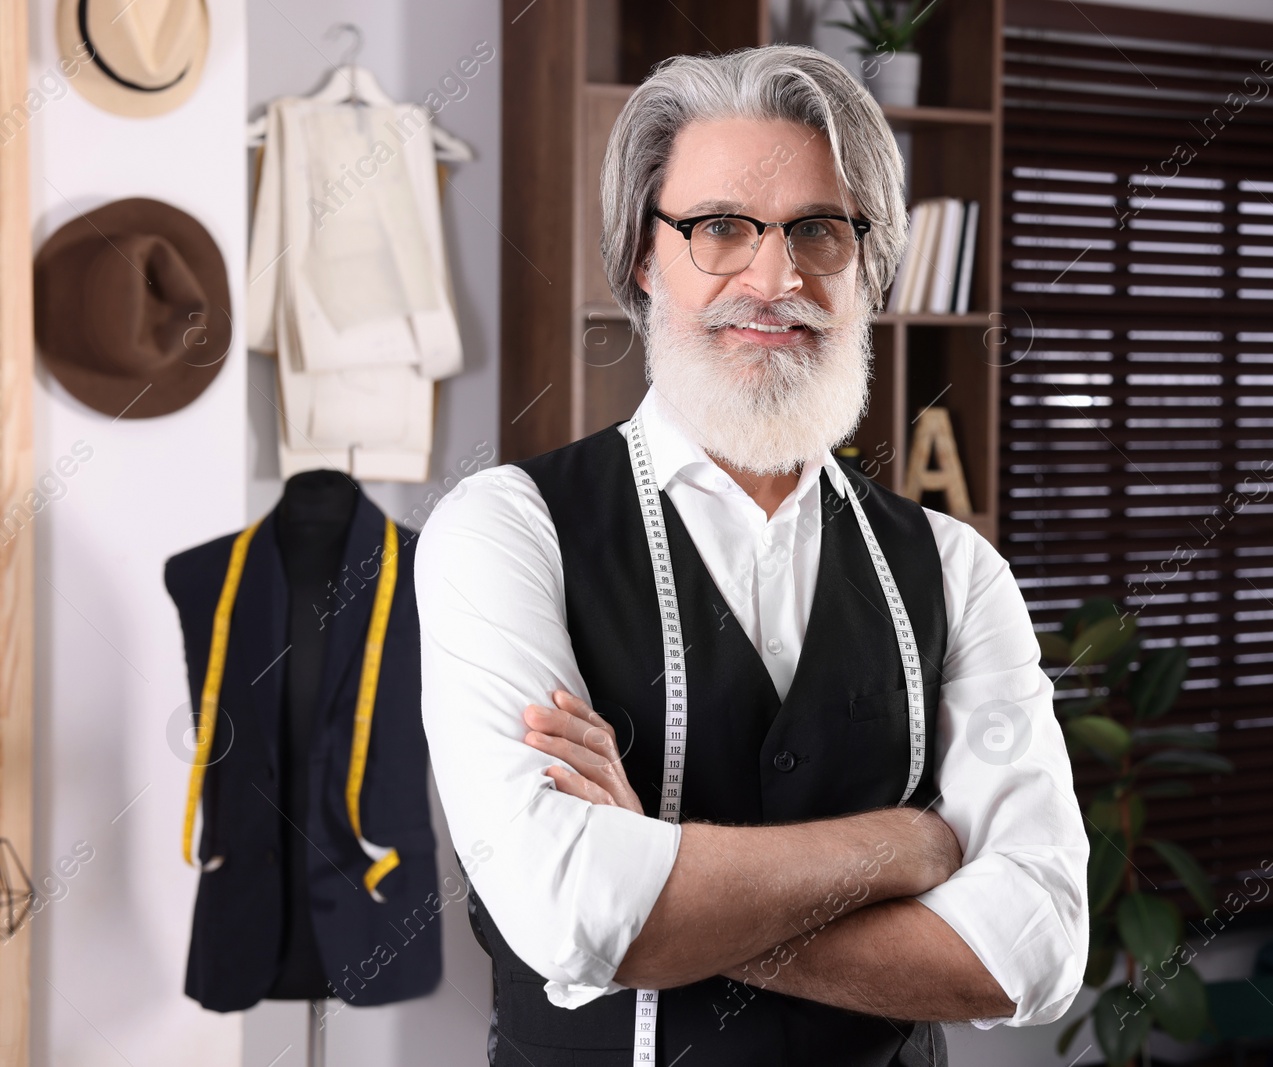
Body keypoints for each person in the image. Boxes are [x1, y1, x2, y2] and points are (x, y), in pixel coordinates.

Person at [417, 44, 1090, 1067]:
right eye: (721, 227)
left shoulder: (955, 567)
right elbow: (568, 912)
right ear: (644, 257)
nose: (774, 279)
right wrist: (907, 845)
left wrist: (664, 887)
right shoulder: (504, 529)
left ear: (864, 262)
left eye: (819, 230)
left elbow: (1032, 951)